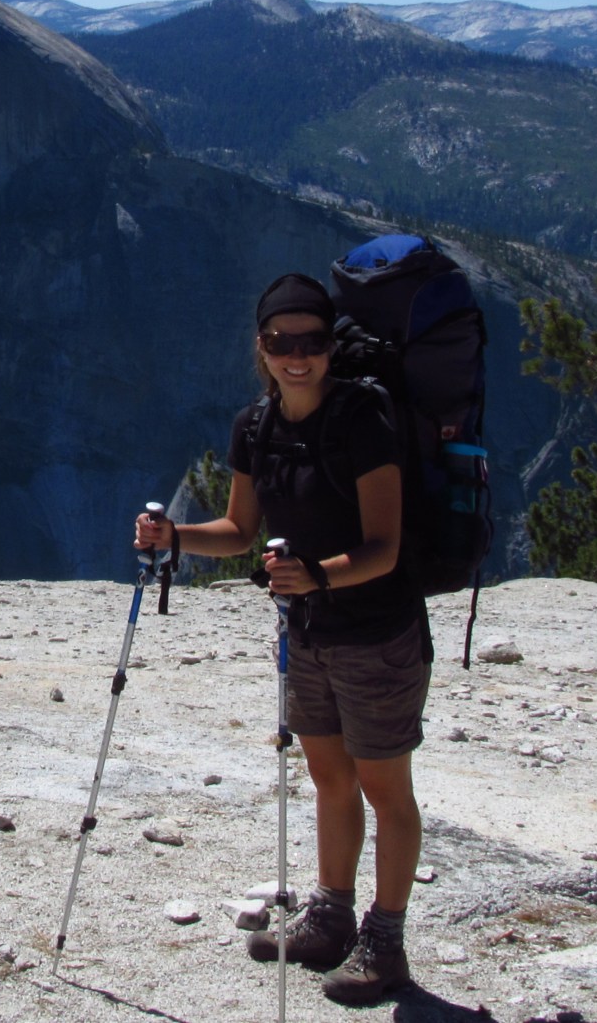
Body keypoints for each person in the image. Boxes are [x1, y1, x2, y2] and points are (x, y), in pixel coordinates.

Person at [133, 272, 429, 1005]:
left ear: (331, 347)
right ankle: (330, 918)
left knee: (385, 789)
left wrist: (316, 578)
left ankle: (384, 943)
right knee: (330, 778)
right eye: (280, 342)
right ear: (260, 347)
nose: (297, 356)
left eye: (313, 342)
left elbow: (385, 548)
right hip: (308, 632)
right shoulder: (254, 426)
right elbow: (238, 531)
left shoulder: (365, 419)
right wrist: (175, 536)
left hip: (376, 633)